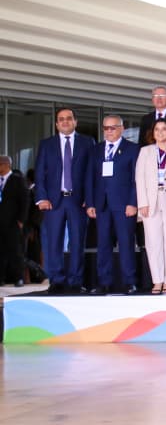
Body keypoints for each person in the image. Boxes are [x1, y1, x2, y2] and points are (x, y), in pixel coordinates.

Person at [34, 107, 93, 294]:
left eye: (69, 118)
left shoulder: (87, 142)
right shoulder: (46, 144)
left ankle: (76, 281)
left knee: (77, 243)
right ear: (56, 124)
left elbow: (92, 174)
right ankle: (56, 280)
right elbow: (40, 173)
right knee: (54, 243)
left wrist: (89, 199)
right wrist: (41, 197)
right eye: (61, 119)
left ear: (75, 122)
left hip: (78, 201)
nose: (65, 122)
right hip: (53, 202)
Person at [85, 115, 139, 294]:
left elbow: (135, 179)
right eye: (106, 128)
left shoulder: (132, 149)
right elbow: (90, 178)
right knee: (103, 245)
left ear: (122, 129)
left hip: (124, 205)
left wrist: (133, 202)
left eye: (113, 128)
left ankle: (129, 281)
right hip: (101, 205)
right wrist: (90, 203)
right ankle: (104, 282)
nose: (109, 131)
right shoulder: (96, 150)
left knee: (126, 244)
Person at [135, 118, 166, 294]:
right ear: (152, 133)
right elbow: (139, 179)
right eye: (157, 129)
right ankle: (157, 280)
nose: (160, 132)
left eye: (164, 129)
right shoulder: (145, 152)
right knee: (153, 243)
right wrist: (142, 203)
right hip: (151, 202)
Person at [0, 155, 30, 287]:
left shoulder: (17, 180)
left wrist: (21, 220)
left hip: (13, 222)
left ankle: (18, 277)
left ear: (6, 165)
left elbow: (25, 200)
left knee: (15, 250)